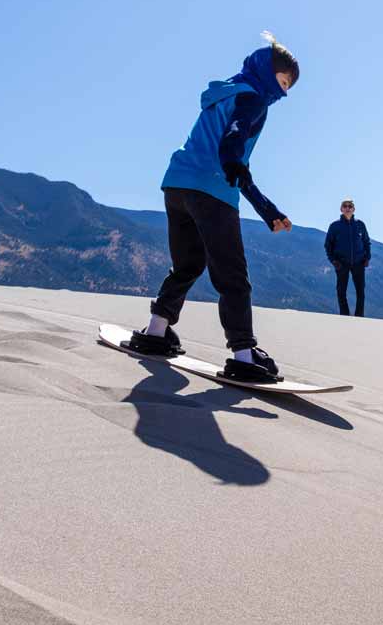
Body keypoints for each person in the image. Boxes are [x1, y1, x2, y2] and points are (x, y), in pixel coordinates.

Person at [127, 31, 299, 383]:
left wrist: (267, 211)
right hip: (210, 192)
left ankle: (156, 330)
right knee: (233, 276)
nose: (282, 93)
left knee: (187, 264)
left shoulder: (223, 93)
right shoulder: (254, 100)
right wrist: (242, 175)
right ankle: (244, 353)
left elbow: (231, 155)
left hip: (177, 184)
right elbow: (233, 147)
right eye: (282, 82)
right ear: (268, 73)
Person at [324, 198, 371, 316]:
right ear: (341, 209)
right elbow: (328, 245)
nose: (347, 208)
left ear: (354, 209)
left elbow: (366, 242)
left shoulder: (360, 225)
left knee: (361, 292)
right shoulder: (335, 226)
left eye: (350, 206)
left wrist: (367, 258)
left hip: (359, 263)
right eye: (345, 206)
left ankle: (359, 317)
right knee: (341, 291)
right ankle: (344, 317)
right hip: (341, 263)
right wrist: (334, 261)